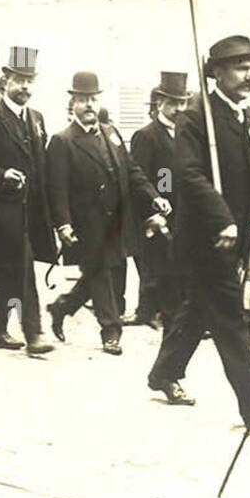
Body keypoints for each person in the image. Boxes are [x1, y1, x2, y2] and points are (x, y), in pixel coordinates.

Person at [146, 37, 250, 415]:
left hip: (233, 239)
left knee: (198, 310)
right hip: (204, 239)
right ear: (218, 72)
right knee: (228, 317)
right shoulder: (196, 118)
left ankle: (164, 371)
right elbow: (188, 175)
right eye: (242, 68)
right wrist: (221, 218)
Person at [45, 71, 167, 356]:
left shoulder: (110, 131)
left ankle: (63, 306)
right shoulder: (62, 141)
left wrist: (154, 196)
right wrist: (63, 224)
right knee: (100, 272)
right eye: (83, 99)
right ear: (73, 103)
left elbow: (132, 170)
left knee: (104, 269)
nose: (89, 105)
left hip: (119, 219)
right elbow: (57, 188)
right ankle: (111, 331)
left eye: (94, 99)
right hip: (88, 221)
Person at [0, 46, 57, 355]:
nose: (25, 87)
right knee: (22, 267)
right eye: (20, 79)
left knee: (12, 269)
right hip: (0, 209)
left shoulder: (36, 118)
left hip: (31, 209)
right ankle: (34, 332)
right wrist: (1, 175)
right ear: (6, 79)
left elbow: (41, 163)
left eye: (30, 80)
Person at [126, 72, 189, 332]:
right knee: (156, 265)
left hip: (180, 211)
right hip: (156, 212)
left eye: (183, 103)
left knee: (176, 264)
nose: (179, 109)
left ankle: (160, 311)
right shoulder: (147, 135)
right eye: (173, 103)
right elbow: (139, 176)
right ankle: (153, 312)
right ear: (160, 102)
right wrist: (150, 211)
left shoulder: (185, 133)